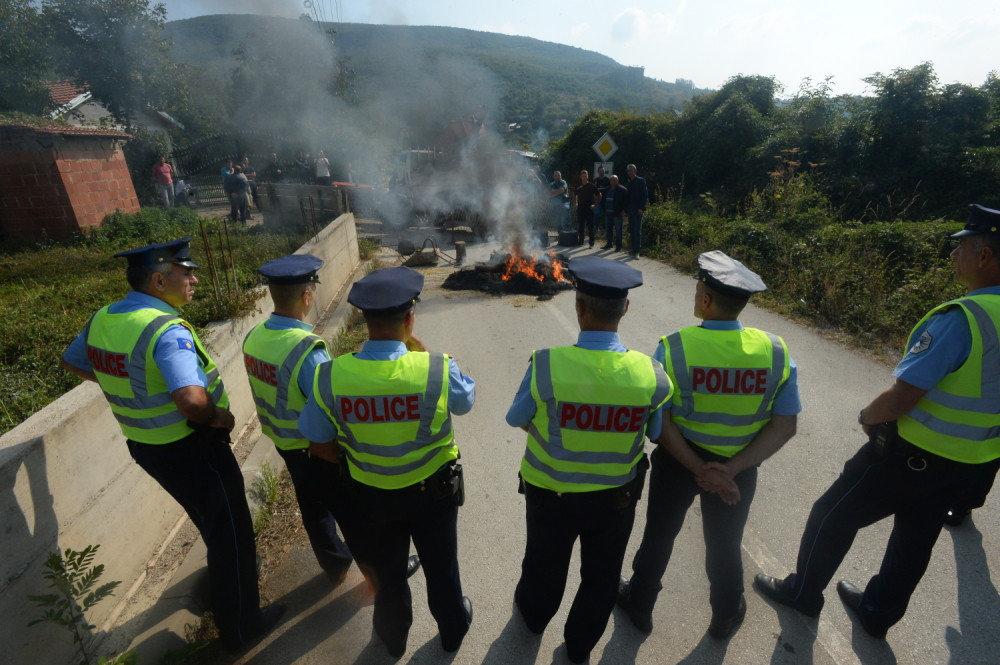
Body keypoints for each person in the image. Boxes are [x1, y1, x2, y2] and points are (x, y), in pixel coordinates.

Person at [754, 203, 1000, 639]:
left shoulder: (966, 319)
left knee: (831, 514)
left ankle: (802, 592)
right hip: (972, 461)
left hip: (913, 454)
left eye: (959, 248)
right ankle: (877, 613)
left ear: (984, 256)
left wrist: (868, 416)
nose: (952, 256)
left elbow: (902, 396)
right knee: (916, 537)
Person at [60, 238, 283, 650]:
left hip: (147, 448)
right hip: (194, 450)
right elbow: (192, 401)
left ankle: (227, 601)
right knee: (232, 536)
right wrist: (220, 418)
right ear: (159, 279)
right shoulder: (164, 329)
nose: (194, 280)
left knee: (212, 526)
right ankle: (241, 630)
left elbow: (73, 362)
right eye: (187, 273)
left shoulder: (105, 317)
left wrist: (132, 391)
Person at [618, 250, 800, 639]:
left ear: (705, 299)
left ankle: (641, 605)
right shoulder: (776, 350)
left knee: (659, 534)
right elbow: (785, 426)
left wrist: (697, 467)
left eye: (697, 286)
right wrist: (730, 469)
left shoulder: (673, 348)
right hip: (739, 468)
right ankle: (725, 615)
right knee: (724, 543)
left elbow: (660, 422)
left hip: (678, 462)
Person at [298, 266, 475, 658]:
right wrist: (426, 356)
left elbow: (319, 443)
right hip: (435, 494)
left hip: (372, 497)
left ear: (364, 320)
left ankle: (393, 638)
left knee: (388, 573)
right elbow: (465, 402)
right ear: (410, 319)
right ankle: (452, 629)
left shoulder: (330, 375)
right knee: (442, 566)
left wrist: (357, 469)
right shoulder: (436, 367)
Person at [506, 256, 672, 664]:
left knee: (544, 562)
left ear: (578, 307)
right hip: (614, 500)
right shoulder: (652, 373)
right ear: (626, 309)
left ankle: (533, 619)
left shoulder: (546, 363)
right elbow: (653, 433)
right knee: (601, 575)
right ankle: (579, 647)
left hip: (550, 494)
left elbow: (517, 418)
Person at [243, 255, 355, 585]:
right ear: (307, 295)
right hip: (317, 447)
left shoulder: (255, 337)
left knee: (313, 505)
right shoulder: (307, 350)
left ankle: (335, 564)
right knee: (351, 510)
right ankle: (379, 568)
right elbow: (332, 408)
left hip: (284, 442)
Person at [625, 164, 648, 257]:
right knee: (631, 229)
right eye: (629, 170)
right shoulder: (629, 182)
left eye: (632, 170)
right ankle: (633, 249)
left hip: (638, 210)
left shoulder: (641, 181)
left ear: (635, 170)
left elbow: (645, 195)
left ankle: (637, 251)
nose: (630, 172)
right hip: (630, 210)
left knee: (637, 230)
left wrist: (642, 208)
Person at [601, 175, 629, 252]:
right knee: (608, 230)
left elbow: (626, 202)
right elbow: (603, 199)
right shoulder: (606, 189)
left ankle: (618, 246)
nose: (613, 182)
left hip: (617, 213)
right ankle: (609, 244)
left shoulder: (623, 190)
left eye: (615, 180)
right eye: (612, 180)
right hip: (608, 213)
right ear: (609, 181)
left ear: (618, 180)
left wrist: (624, 210)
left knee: (618, 230)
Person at [574, 169, 600, 247]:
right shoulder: (578, 186)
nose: (584, 177)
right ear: (580, 177)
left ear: (588, 176)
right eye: (583, 176)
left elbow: (599, 195)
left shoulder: (592, 186)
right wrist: (576, 203)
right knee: (581, 225)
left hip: (589, 208)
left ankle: (591, 243)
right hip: (580, 208)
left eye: (586, 176)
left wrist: (596, 205)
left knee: (590, 226)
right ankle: (581, 241)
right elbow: (574, 195)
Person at [593, 166, 611, 242]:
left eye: (603, 171)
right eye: (600, 171)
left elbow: (608, 188)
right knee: (596, 215)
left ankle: (605, 231)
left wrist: (600, 189)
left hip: (605, 201)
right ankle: (595, 229)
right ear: (598, 172)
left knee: (605, 216)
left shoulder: (607, 180)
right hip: (598, 202)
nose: (601, 172)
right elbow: (593, 190)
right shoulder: (595, 180)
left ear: (604, 171)